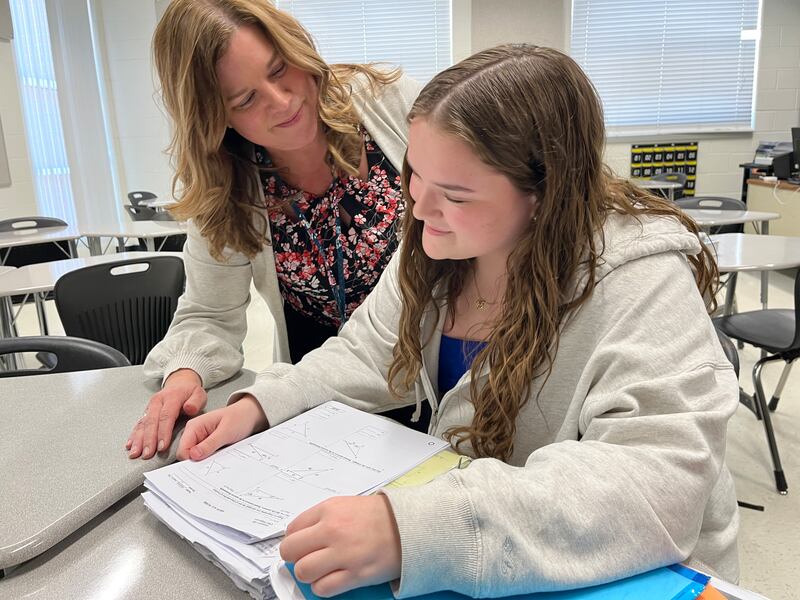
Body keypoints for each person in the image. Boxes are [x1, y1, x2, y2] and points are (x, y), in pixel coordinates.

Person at [174, 44, 740, 597]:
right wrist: (261, 404)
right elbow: (366, 353)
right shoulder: (438, 247)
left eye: (455, 194)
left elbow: (653, 484)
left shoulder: (641, 279)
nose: (419, 208)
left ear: (545, 193)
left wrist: (416, 529)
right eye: (414, 175)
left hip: (632, 574)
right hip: (493, 556)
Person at [126, 0, 421, 460]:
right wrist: (185, 373)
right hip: (319, 402)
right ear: (215, 118)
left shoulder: (388, 103)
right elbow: (209, 313)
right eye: (245, 99)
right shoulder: (228, 184)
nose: (282, 101)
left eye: (281, 69)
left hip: (433, 384)